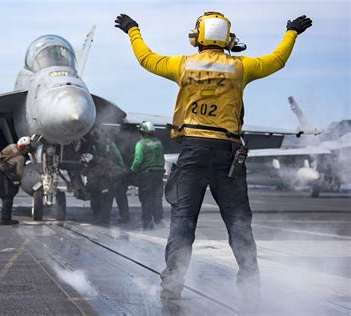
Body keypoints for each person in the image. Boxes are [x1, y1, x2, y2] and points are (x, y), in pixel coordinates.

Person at [115, 12, 312, 299]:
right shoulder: (241, 67)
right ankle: (250, 286)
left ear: (197, 37)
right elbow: (277, 60)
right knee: (238, 222)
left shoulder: (182, 65)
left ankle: (172, 285)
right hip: (227, 155)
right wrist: (291, 33)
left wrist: (133, 30)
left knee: (183, 222)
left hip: (193, 153)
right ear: (228, 39)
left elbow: (147, 58)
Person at [83, 128, 130, 225]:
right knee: (120, 197)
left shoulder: (95, 146)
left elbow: (100, 162)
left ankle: (103, 218)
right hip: (116, 174)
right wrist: (122, 169)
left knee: (105, 197)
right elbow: (118, 157)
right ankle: (124, 217)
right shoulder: (109, 143)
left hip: (109, 175)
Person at [130, 121, 165, 230]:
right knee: (157, 198)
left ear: (142, 131)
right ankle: (159, 222)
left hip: (147, 175)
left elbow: (138, 159)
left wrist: (132, 169)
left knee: (146, 199)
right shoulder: (158, 142)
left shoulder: (141, 144)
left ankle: (147, 224)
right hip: (159, 174)